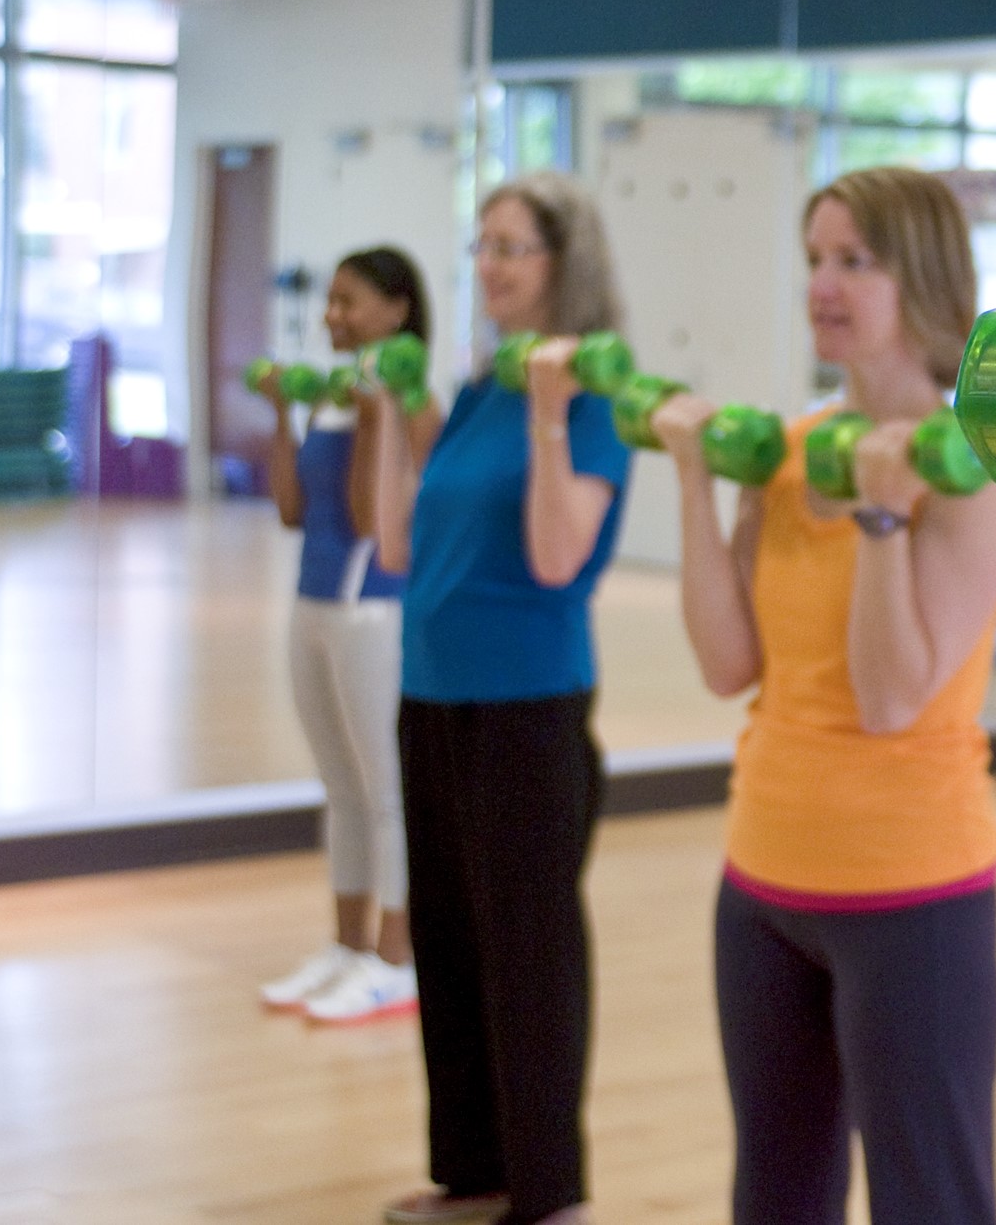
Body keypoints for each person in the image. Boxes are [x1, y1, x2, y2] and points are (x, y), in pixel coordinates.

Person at [647, 167, 996, 1225]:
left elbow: (892, 695)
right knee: (775, 1196)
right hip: (762, 883)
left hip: (912, 895)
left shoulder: (974, 474)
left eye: (855, 260)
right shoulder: (790, 449)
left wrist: (881, 519)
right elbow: (728, 664)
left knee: (930, 1202)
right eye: (816, 257)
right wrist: (690, 480)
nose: (825, 281)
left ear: (925, 279)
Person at [369, 175, 631, 1225]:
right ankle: (473, 1171)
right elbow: (397, 546)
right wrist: (396, 415)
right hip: (430, 694)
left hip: (527, 703)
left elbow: (559, 557)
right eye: (481, 246)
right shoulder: (479, 390)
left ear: (565, 263)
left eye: (513, 247)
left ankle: (550, 1196)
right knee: (449, 935)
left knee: (527, 952)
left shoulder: (594, 395)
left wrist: (556, 415)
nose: (490, 266)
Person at [256, 247, 431, 1024]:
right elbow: (293, 510)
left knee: (385, 791)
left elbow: (370, 518)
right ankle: (347, 944)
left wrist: (373, 419)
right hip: (312, 604)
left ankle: (395, 959)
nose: (333, 315)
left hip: (374, 609)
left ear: (395, 312)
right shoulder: (332, 396)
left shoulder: (407, 399)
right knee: (340, 787)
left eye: (349, 302)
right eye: (329, 302)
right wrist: (281, 414)